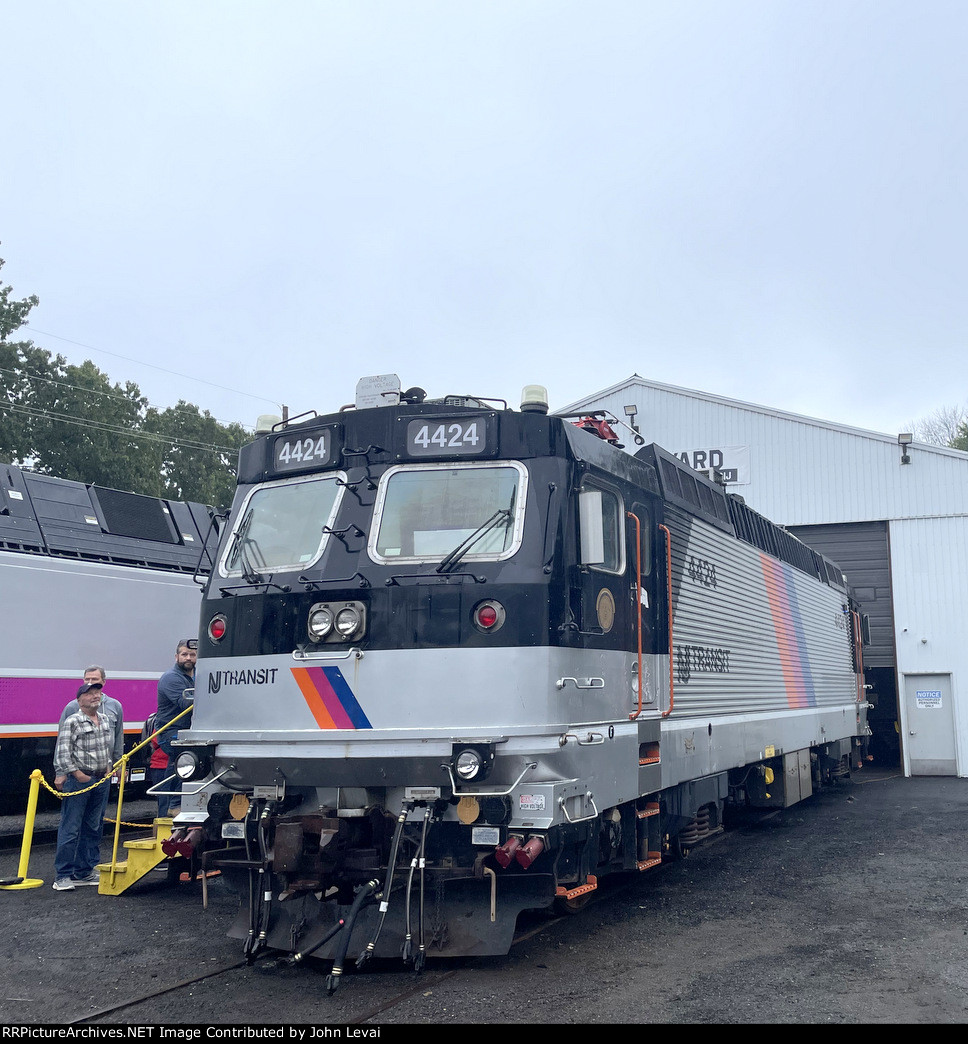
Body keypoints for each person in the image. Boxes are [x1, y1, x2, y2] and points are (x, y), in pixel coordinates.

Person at [51, 681, 120, 890]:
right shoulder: (72, 721)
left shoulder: (106, 720)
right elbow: (63, 753)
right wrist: (78, 775)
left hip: (101, 780)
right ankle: (62, 875)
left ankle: (85, 871)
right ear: (79, 700)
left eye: (97, 692)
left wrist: (108, 767)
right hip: (80, 781)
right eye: (90, 693)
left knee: (93, 827)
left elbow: (106, 749)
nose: (95, 696)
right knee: (70, 827)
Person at [53, 666, 123, 789]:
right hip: (78, 775)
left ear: (103, 682)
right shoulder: (72, 707)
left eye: (94, 679)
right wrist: (60, 772)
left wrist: (119, 766)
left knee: (99, 808)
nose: (90, 682)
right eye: (87, 679)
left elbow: (118, 738)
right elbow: (62, 744)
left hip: (104, 774)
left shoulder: (115, 706)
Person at [154, 639, 197, 816]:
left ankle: (168, 808)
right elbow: (185, 703)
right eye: (184, 654)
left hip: (187, 731)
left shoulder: (196, 675)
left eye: (192, 655)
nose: (188, 658)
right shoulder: (171, 678)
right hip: (170, 732)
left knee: (177, 765)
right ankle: (174, 805)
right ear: (176, 656)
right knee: (188, 756)